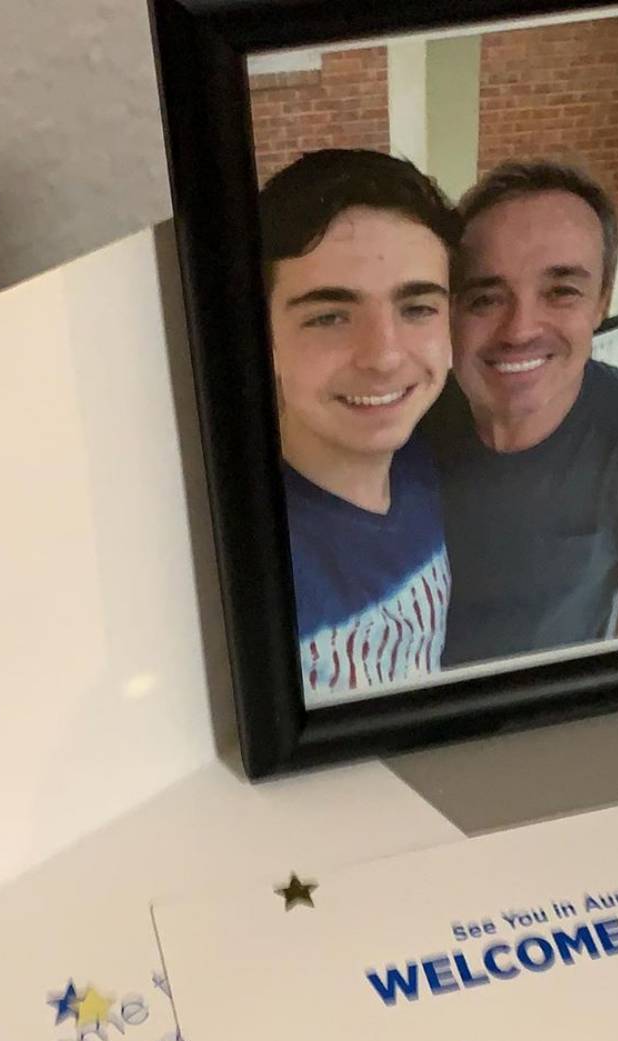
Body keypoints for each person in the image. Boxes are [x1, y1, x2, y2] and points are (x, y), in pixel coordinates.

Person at [424, 160, 618, 669]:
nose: (520, 330)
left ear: (600, 304)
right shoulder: (409, 419)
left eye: (562, 292)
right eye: (485, 298)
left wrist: (617, 676)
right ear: (452, 312)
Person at [258, 149, 460, 704]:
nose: (384, 357)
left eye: (417, 308)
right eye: (328, 316)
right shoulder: (256, 570)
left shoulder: (421, 459)